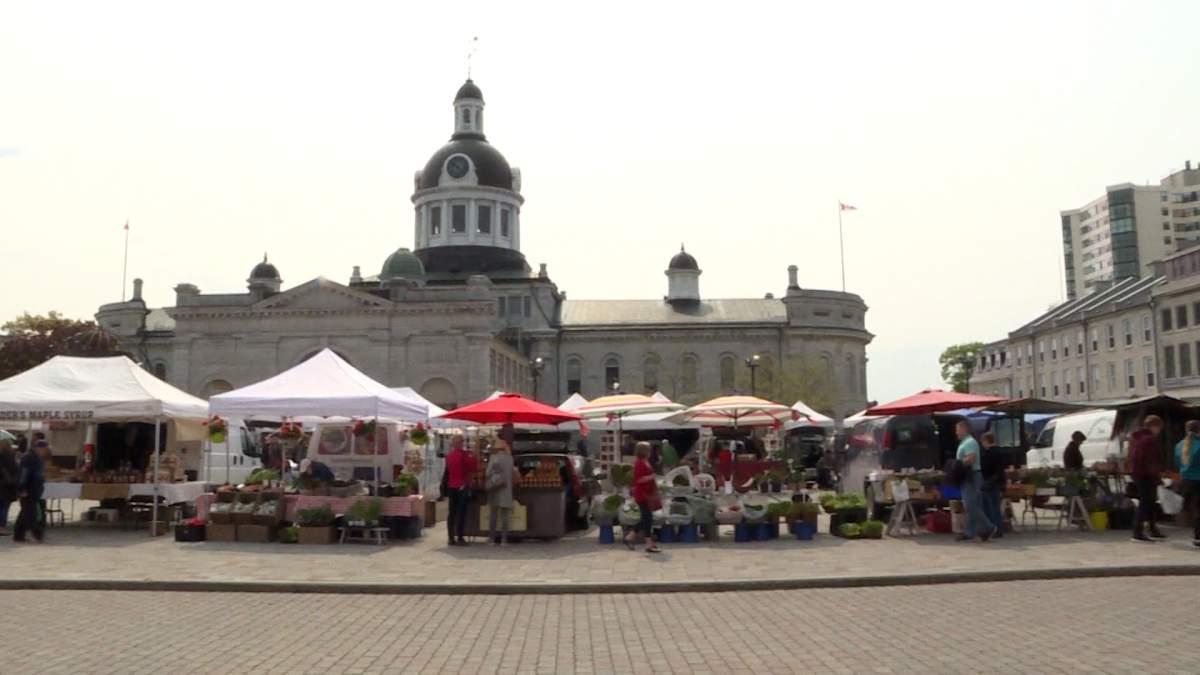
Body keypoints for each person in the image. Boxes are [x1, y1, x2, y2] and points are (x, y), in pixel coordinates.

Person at [1127, 415, 1165, 542]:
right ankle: (1138, 532)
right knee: (1146, 503)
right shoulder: (1149, 440)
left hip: (1136, 473)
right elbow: (1151, 461)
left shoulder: (1135, 438)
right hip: (1146, 474)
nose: (1159, 431)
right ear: (1154, 426)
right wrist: (1157, 477)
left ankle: (1152, 529)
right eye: (1159, 428)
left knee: (1149, 502)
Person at [955, 421, 995, 542]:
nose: (956, 432)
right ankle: (970, 532)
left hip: (971, 475)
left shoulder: (970, 442)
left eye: (957, 429)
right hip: (967, 476)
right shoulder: (965, 442)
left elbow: (971, 458)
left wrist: (957, 465)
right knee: (970, 505)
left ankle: (988, 527)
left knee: (971, 504)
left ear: (964, 429)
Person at [623, 441, 662, 553]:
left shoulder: (645, 462)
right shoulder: (639, 463)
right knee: (647, 518)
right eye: (648, 449)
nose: (650, 452)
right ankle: (648, 543)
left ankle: (631, 537)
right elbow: (639, 479)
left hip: (647, 493)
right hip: (642, 494)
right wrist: (651, 477)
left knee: (646, 518)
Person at [443, 434, 477, 546]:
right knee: (461, 513)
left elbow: (447, 472)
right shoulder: (465, 455)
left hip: (451, 486)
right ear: (461, 443)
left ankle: (450, 537)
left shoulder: (449, 456)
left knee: (451, 513)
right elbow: (473, 468)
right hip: (462, 485)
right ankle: (460, 537)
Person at [1173, 420, 1200, 548]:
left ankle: (1196, 536)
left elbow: (1178, 464)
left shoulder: (1179, 445)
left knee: (1193, 508)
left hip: (1185, 480)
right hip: (1198, 479)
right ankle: (1198, 536)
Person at [14, 442, 48, 543]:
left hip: (35, 489)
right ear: (38, 448)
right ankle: (37, 534)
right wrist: (22, 488)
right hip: (29, 489)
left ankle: (18, 535)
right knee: (30, 514)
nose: (45, 451)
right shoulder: (28, 458)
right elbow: (24, 474)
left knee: (24, 513)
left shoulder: (38, 459)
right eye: (44, 449)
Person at [486, 439, 515, 545]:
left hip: (496, 489)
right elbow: (512, 472)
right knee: (505, 516)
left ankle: (492, 539)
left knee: (493, 514)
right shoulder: (510, 458)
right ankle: (504, 539)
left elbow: (487, 473)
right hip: (507, 490)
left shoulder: (494, 458)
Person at [979, 432, 1005, 539]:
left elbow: (986, 468)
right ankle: (998, 528)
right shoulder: (1000, 451)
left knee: (991, 507)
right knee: (996, 507)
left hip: (990, 482)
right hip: (998, 482)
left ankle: (995, 528)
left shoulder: (989, 453)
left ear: (986, 441)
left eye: (983, 442)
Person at [0, 439, 19, 535]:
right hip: (10, 485)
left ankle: (1, 527)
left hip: (3, 484)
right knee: (5, 507)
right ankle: (2, 526)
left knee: (2, 506)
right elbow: (17, 470)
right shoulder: (12, 457)